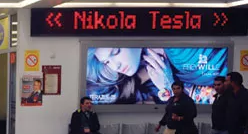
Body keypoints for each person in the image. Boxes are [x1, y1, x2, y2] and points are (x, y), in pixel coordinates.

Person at [87, 47, 226, 105]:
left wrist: (170, 87)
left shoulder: (180, 54)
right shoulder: (148, 81)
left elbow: (222, 98)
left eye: (116, 52)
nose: (115, 66)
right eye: (106, 62)